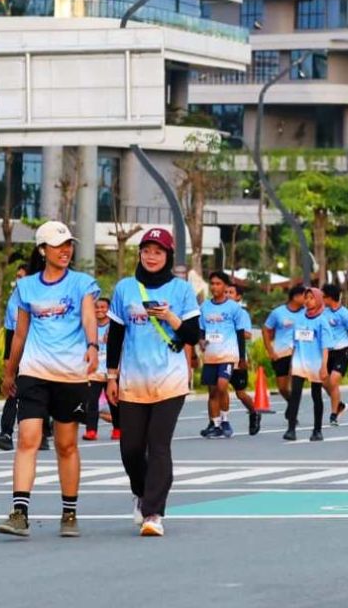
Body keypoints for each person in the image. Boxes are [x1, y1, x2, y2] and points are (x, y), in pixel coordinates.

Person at [0, 221, 100, 539]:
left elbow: (88, 316)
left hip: (70, 374)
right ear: (43, 250)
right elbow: (20, 332)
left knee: (67, 445)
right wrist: (10, 371)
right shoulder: (26, 287)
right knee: (28, 438)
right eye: (58, 245)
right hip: (34, 372)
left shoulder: (82, 283)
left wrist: (93, 345)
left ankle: (69, 513)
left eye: (69, 244)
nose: (65, 250)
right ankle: (19, 513)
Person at [105, 228, 200, 537]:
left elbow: (192, 335)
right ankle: (141, 491)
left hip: (169, 380)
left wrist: (171, 317)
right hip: (132, 379)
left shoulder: (181, 290)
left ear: (168, 256)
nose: (151, 256)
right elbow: (116, 335)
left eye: (158, 251)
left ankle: (154, 513)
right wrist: (111, 376)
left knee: (158, 445)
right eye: (147, 250)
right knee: (130, 448)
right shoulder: (124, 288)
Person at [198, 271, 257, 438]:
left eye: (218, 283)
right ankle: (215, 425)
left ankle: (225, 420)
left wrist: (242, 358)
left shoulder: (233, 308)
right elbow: (201, 329)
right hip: (211, 355)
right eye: (212, 283)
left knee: (223, 385)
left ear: (225, 286)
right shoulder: (204, 307)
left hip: (228, 354)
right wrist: (201, 341)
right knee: (213, 391)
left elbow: (240, 333)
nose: (214, 287)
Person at [0, 263, 32, 452]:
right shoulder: (13, 300)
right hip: (19, 354)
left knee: (40, 397)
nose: (19, 280)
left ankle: (45, 432)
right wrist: (8, 359)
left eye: (23, 277)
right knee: (13, 393)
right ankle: (6, 434)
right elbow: (10, 331)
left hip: (41, 355)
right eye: (18, 276)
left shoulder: (39, 296)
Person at [283, 287, 332, 442]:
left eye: (311, 298)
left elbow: (325, 346)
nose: (308, 301)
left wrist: (324, 366)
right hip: (299, 362)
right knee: (295, 395)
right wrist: (291, 364)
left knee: (316, 395)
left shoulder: (322, 321)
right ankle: (291, 429)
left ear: (318, 300)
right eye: (306, 298)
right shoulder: (299, 320)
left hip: (315, 364)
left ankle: (317, 430)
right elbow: (295, 343)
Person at [321, 283, 348, 426]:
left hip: (343, 350)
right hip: (327, 351)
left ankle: (334, 414)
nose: (322, 299)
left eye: (324, 297)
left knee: (333, 381)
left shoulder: (346, 315)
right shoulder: (323, 313)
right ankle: (340, 404)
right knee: (325, 382)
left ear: (330, 297)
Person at [263, 285, 306, 405]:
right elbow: (265, 330)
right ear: (296, 297)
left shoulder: (306, 313)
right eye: (305, 296)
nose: (307, 299)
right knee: (282, 388)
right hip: (280, 353)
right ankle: (292, 405)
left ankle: (293, 411)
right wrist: (270, 351)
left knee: (294, 382)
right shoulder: (278, 313)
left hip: (298, 352)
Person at [229, 283, 260, 434]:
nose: (227, 294)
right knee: (218, 390)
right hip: (219, 356)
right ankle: (220, 422)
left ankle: (254, 413)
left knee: (240, 393)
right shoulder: (217, 312)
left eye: (231, 292)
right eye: (226, 291)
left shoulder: (242, 314)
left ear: (238, 297)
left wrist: (231, 331)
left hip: (237, 357)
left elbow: (247, 334)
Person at [83, 297, 115, 441]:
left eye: (103, 307)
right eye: (97, 307)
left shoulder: (115, 327)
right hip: (93, 371)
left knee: (114, 401)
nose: (100, 310)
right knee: (91, 402)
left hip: (111, 371)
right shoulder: (89, 327)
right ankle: (91, 430)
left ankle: (118, 428)